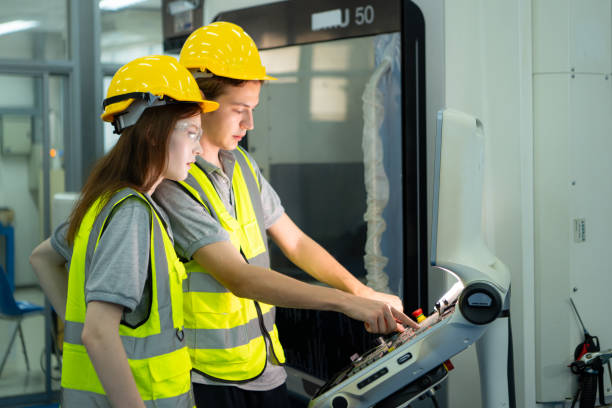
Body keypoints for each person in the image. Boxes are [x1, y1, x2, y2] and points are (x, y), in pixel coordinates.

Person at [152, 22, 419, 408]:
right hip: (207, 379)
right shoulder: (173, 182)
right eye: (239, 110)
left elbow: (294, 242)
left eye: (254, 110)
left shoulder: (241, 164)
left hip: (264, 367)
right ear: (199, 103)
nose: (250, 124)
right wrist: (346, 304)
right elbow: (238, 278)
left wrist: (360, 290)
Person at [29, 55, 219, 408]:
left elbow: (42, 258)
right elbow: (99, 333)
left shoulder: (104, 199)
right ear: (151, 132)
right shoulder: (131, 212)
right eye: (191, 132)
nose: (197, 147)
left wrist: (75, 324)